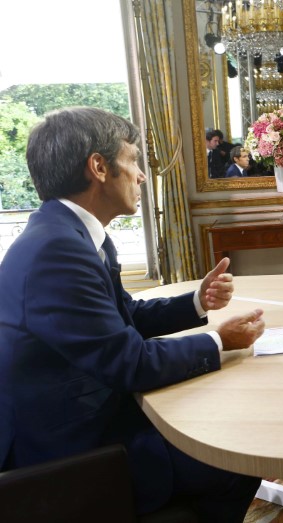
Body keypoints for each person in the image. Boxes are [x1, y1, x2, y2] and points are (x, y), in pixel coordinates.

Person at [0, 107, 268, 522]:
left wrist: (197, 301)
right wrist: (221, 341)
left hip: (88, 411)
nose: (142, 175)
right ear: (99, 167)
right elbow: (131, 363)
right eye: (133, 160)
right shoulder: (58, 250)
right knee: (244, 453)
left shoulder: (72, 234)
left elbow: (125, 315)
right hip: (70, 448)